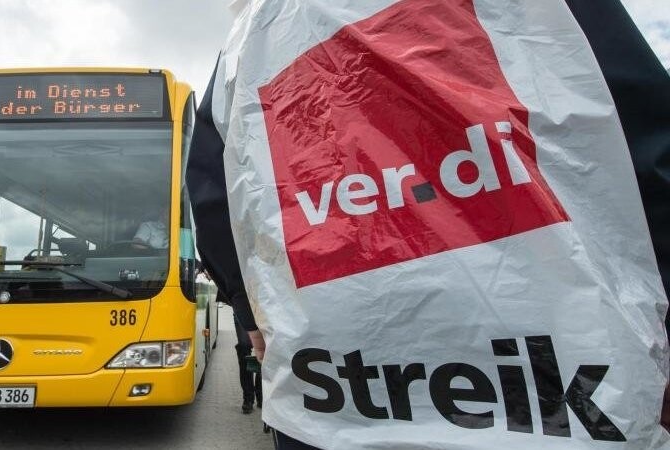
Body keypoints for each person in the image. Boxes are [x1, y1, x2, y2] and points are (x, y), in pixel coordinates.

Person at [188, 1, 669, 448]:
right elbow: (635, 139)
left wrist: (251, 314)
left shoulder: (250, 40)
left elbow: (215, 199)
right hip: (568, 386)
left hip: (334, 398)